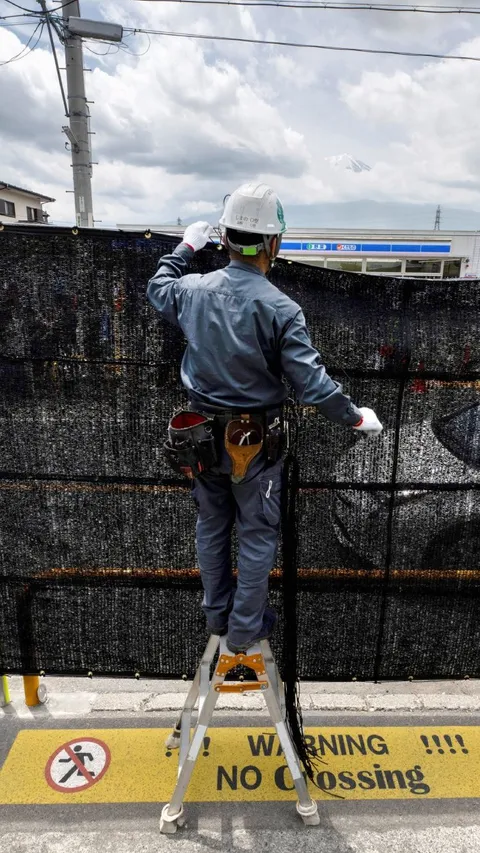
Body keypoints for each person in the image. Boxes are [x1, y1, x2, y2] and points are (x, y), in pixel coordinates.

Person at [147, 183, 382, 654]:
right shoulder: (280, 309)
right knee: (256, 534)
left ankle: (218, 616)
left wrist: (184, 249)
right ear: (273, 244)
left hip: (199, 438)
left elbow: (158, 287)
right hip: (252, 441)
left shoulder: (193, 291)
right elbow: (312, 385)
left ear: (225, 239)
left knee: (212, 525)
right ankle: (243, 629)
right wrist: (356, 418)